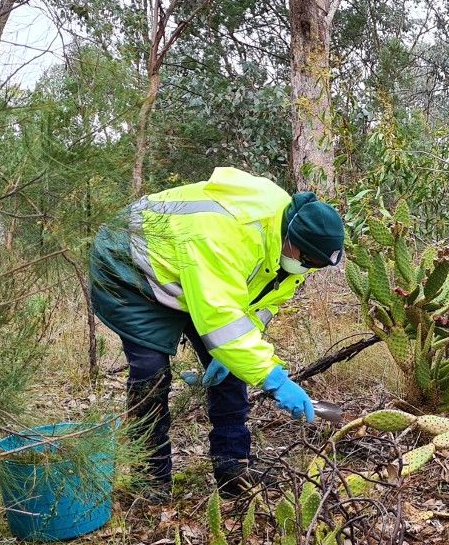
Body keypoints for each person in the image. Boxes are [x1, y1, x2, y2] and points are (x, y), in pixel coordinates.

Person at [89, 167, 344, 500]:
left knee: (235, 361)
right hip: (130, 263)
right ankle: (149, 477)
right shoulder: (229, 233)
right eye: (307, 261)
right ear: (291, 239)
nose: (307, 269)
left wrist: (235, 355)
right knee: (150, 370)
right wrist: (276, 380)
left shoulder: (292, 250)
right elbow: (220, 319)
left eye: (316, 265)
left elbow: (255, 309)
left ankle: (233, 465)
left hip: (192, 274)